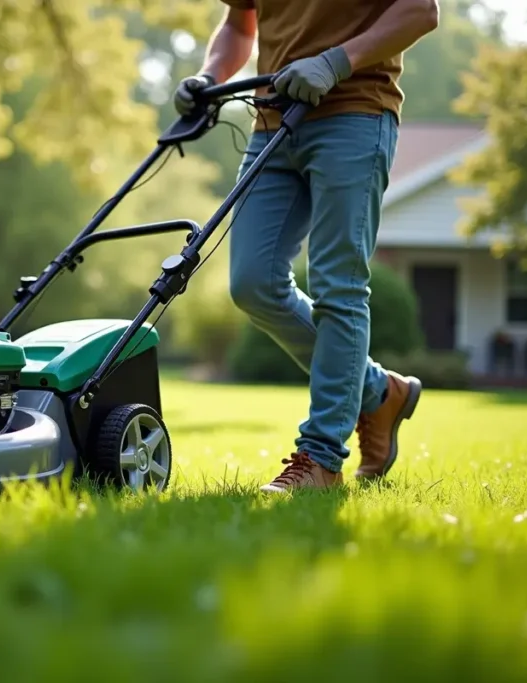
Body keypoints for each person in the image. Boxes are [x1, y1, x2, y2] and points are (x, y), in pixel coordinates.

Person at [174, 0, 439, 493]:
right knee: (253, 284)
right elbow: (239, 22)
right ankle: (378, 392)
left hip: (354, 112)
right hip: (272, 122)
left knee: (339, 285)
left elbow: (421, 10)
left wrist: (335, 62)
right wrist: (209, 75)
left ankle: (320, 460)